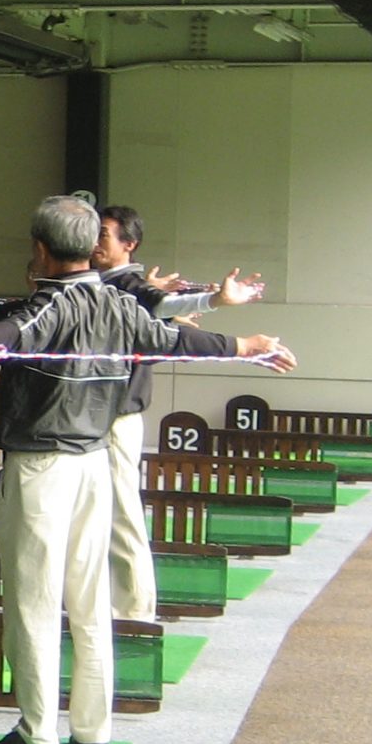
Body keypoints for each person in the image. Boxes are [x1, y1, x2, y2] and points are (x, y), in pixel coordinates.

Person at [0, 196, 292, 744]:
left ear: (40, 250)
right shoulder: (118, 304)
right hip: (94, 464)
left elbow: (16, 330)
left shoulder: (53, 303)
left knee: (33, 601)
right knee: (89, 597)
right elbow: (174, 339)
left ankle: (37, 731)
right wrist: (245, 346)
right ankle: (92, 728)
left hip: (42, 468)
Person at [90, 204, 265, 623]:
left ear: (129, 244)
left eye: (104, 235)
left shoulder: (130, 285)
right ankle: (111, 605)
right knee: (99, 514)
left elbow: (163, 302)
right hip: (95, 416)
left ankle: (132, 613)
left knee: (120, 514)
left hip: (116, 418)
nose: (95, 242)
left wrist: (215, 299)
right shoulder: (105, 283)